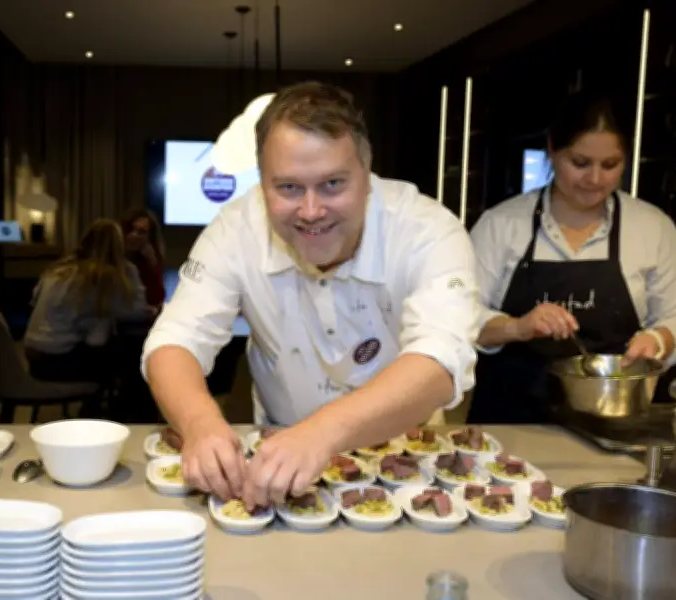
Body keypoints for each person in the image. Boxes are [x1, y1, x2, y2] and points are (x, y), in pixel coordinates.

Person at [142, 81, 481, 509]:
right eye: (287, 188)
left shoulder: (428, 229)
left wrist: (323, 432)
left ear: (367, 171)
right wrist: (199, 423)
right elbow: (174, 339)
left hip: (405, 457)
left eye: (333, 184)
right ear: (261, 181)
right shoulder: (235, 228)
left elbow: (441, 359)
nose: (311, 210)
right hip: (274, 455)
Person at [469, 91, 676, 424]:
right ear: (552, 150)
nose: (595, 179)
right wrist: (517, 327)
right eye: (580, 163)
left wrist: (659, 339)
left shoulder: (653, 228)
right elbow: (461, 313)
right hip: (509, 424)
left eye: (610, 165)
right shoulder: (501, 225)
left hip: (614, 424)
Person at [24, 219, 150, 384]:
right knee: (136, 353)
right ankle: (128, 408)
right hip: (58, 361)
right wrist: (130, 270)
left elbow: (33, 302)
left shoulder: (59, 269)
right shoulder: (100, 277)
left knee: (108, 341)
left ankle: (96, 405)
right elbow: (136, 311)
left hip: (35, 359)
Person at [121, 207, 166, 313]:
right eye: (130, 229)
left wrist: (152, 264)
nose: (134, 235)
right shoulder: (113, 256)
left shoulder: (148, 259)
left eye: (141, 232)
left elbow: (156, 299)